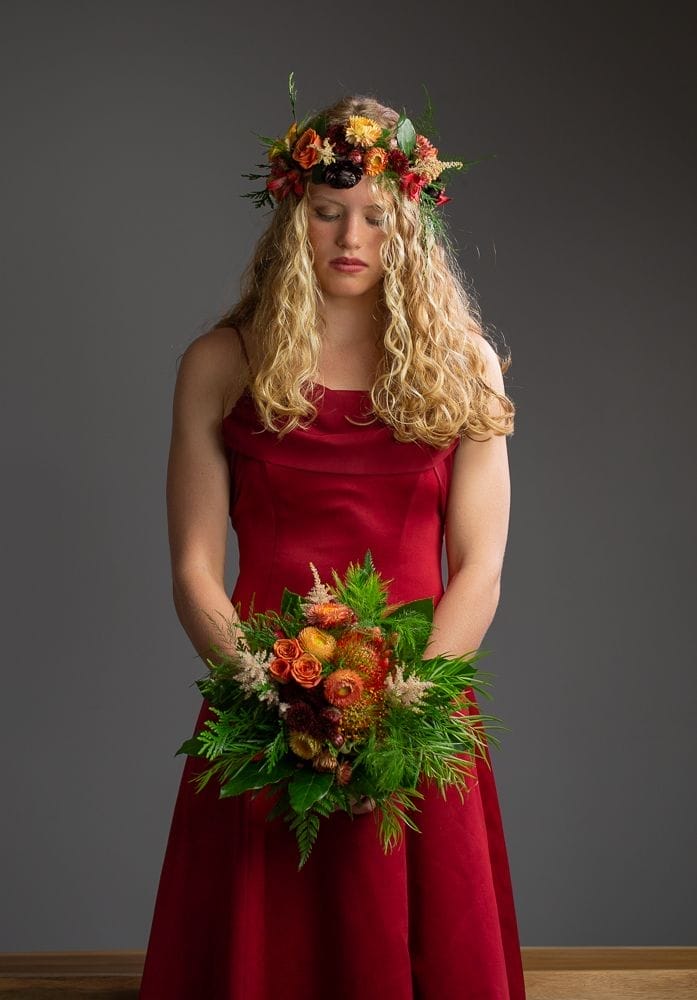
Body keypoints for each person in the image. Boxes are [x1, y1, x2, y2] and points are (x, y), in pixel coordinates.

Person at [140, 85, 526, 1000]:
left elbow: (479, 568)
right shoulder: (220, 364)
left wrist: (402, 706)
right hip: (261, 706)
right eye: (326, 213)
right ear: (292, 215)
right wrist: (270, 701)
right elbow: (193, 568)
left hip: (417, 707)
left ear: (410, 227)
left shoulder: (462, 365)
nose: (351, 238)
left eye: (376, 218)